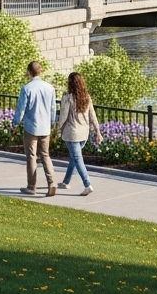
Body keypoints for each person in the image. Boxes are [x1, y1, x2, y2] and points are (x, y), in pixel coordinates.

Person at [11, 61, 57, 196]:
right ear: (40, 71)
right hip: (45, 127)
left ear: (29, 72)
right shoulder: (50, 88)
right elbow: (53, 109)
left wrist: (15, 122)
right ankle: (52, 182)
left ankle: (31, 187)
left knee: (31, 156)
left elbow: (21, 109)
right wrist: (52, 123)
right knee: (46, 155)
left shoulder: (27, 88)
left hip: (31, 126)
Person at [56, 72, 103, 195]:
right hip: (84, 133)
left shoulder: (68, 98)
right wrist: (97, 131)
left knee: (77, 159)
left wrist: (58, 129)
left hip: (72, 134)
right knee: (74, 158)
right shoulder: (86, 97)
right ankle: (65, 182)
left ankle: (87, 184)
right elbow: (93, 116)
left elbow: (63, 117)